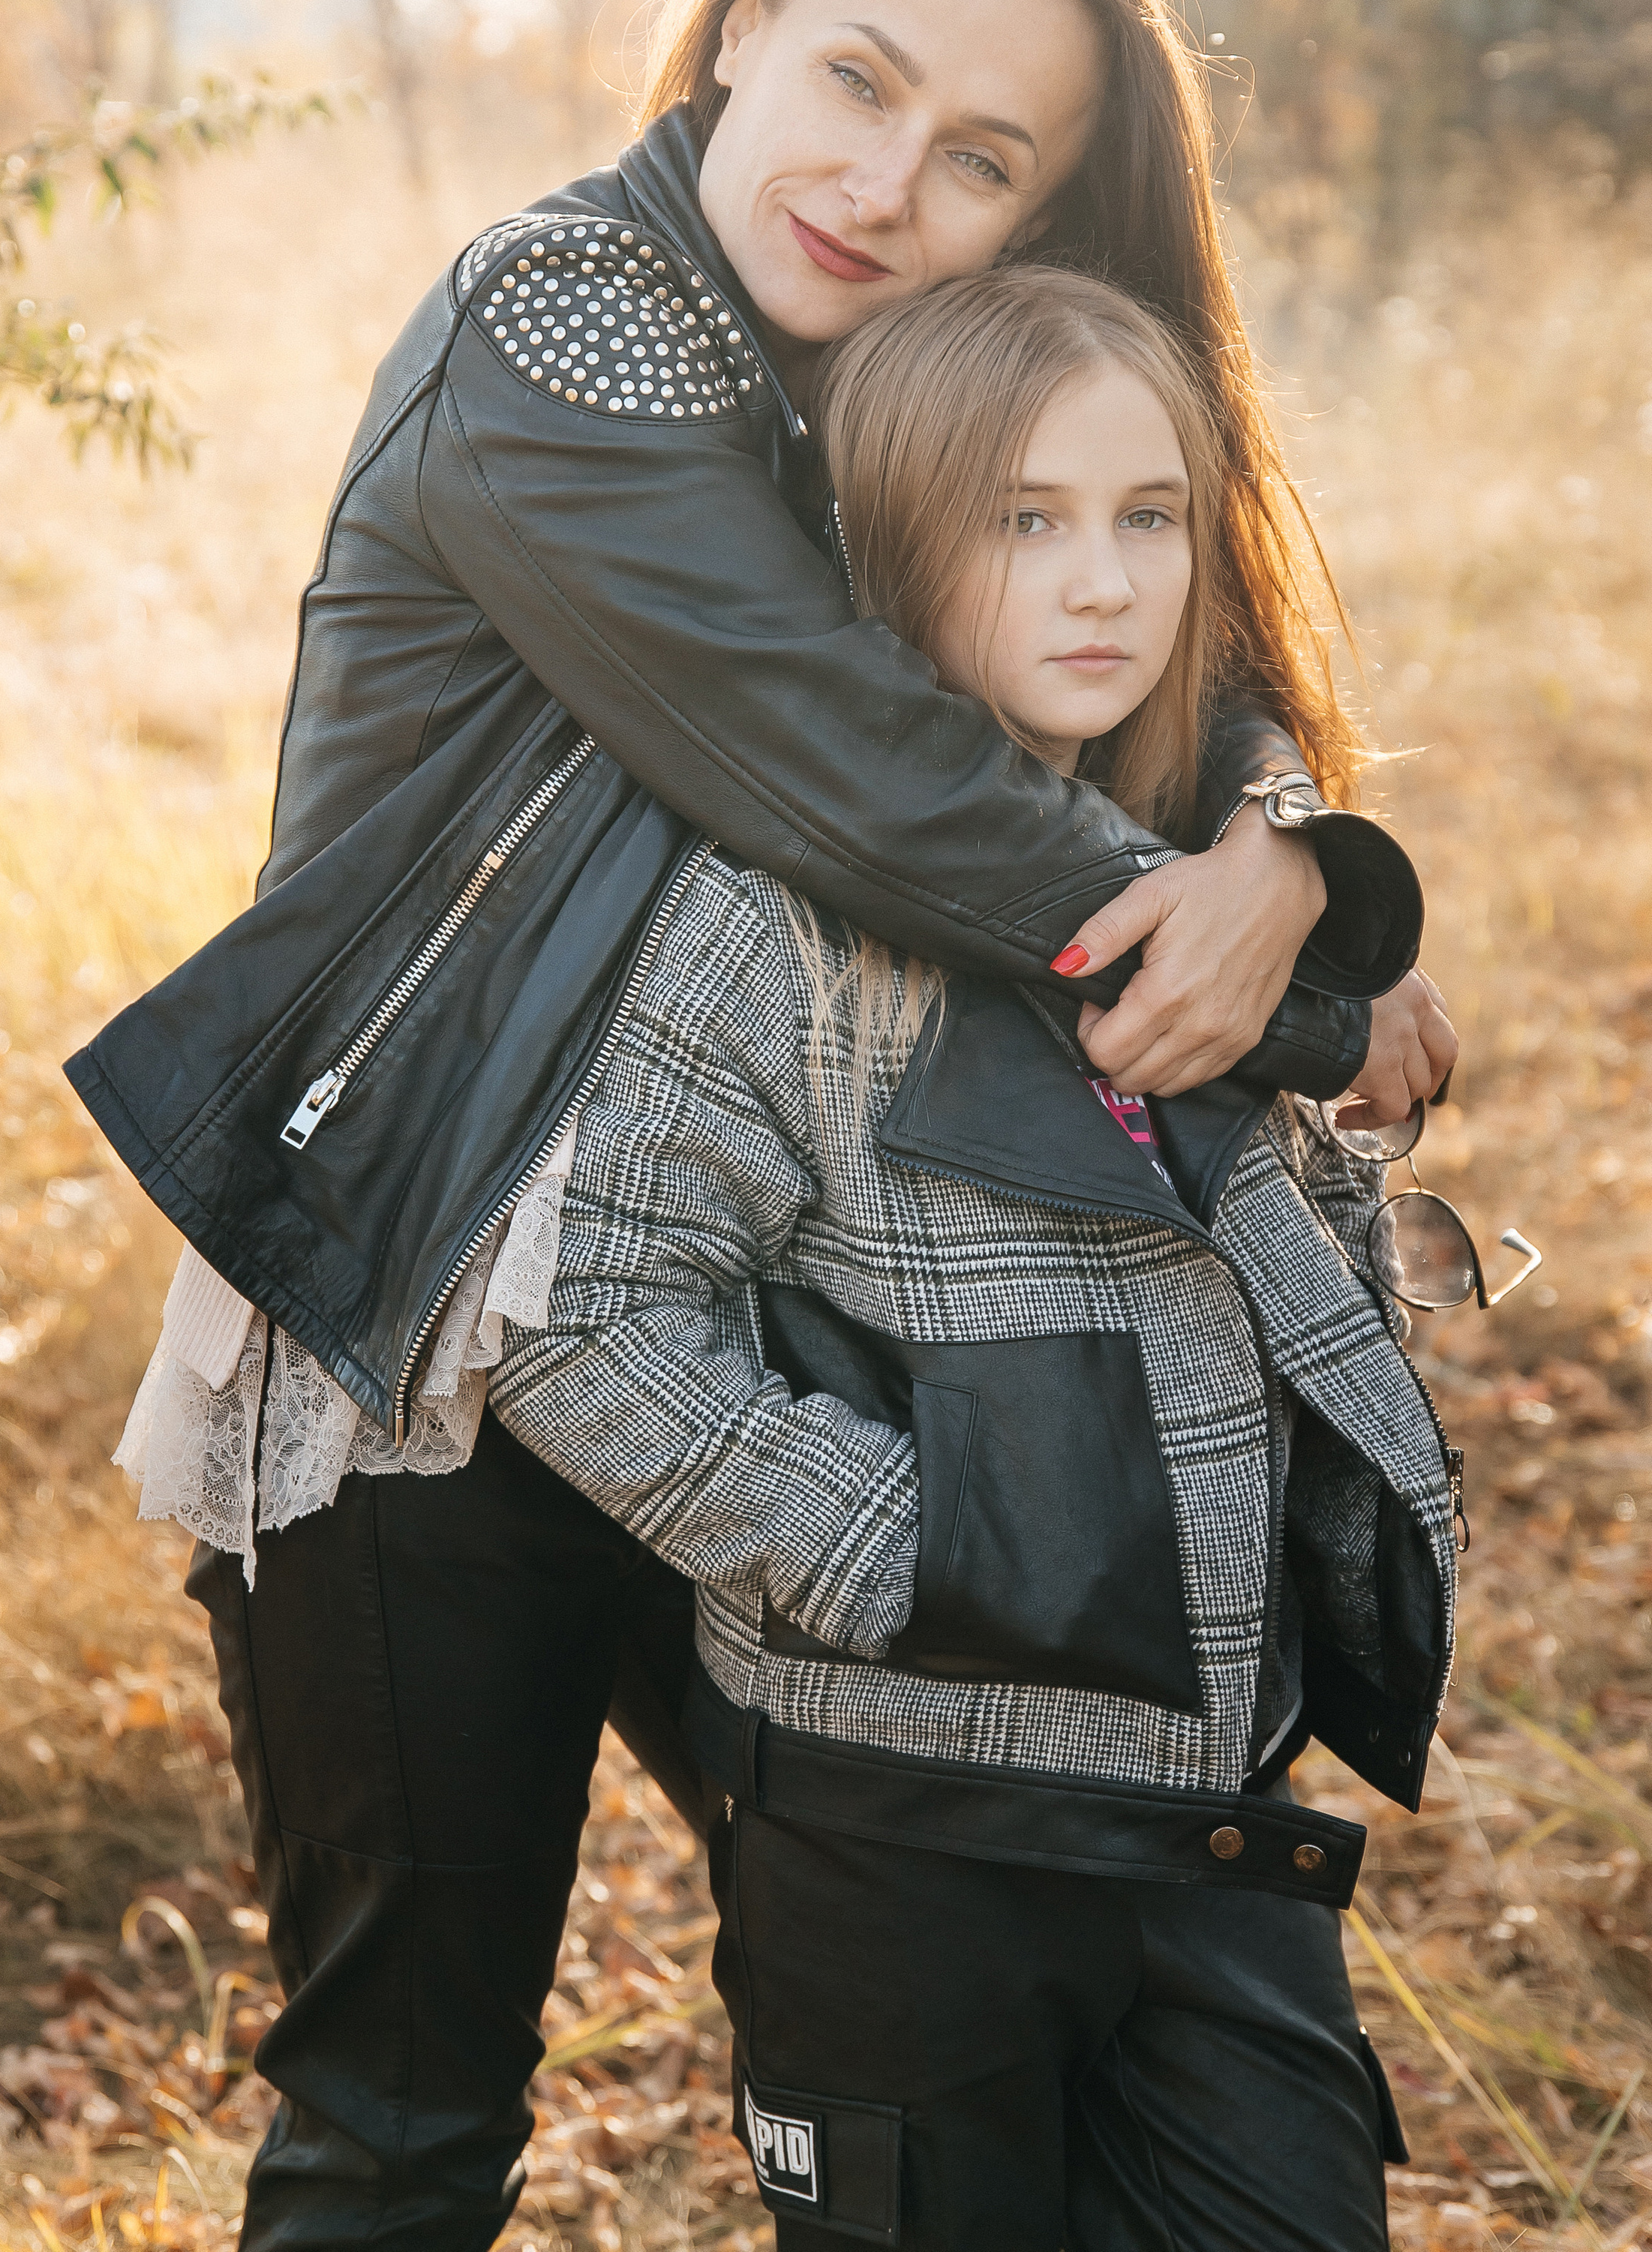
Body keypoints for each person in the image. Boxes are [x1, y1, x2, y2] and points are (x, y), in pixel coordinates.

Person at [69, 0, 1455, 2247]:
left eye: (979, 160)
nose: (883, 181)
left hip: (789, 1318)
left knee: (961, 1991)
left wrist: (1289, 839)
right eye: (855, 77)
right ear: (738, 24)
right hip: (437, 1352)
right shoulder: (567, 320)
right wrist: (1281, 970)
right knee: (405, 2122)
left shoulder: (898, 397)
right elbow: (857, 754)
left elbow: (1130, 611)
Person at [489, 266, 1455, 2250]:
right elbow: (587, 1329)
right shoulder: (767, 927)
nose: (1101, 581)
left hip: (1212, 1816)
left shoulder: (1213, 884)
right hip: (895, 1842)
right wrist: (923, 1550)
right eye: (1026, 522)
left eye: (1146, 516)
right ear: (905, 542)